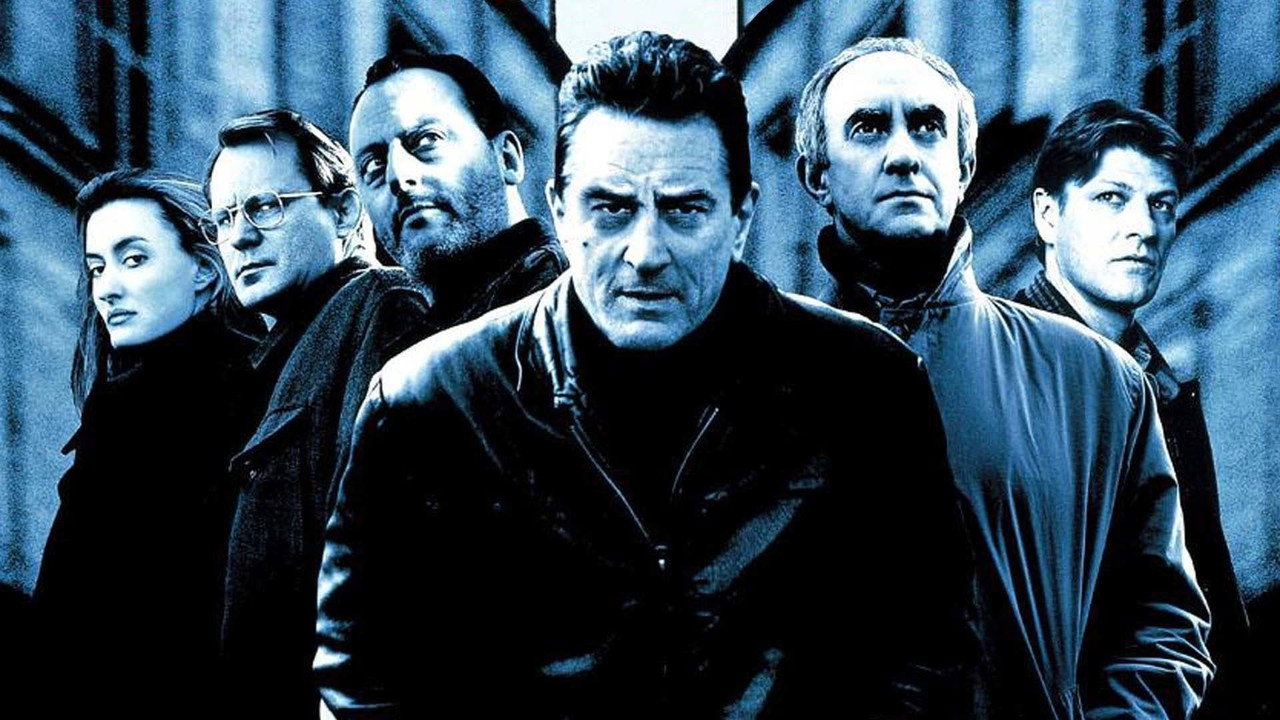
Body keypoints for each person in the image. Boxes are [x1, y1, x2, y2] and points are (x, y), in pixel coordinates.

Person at [316, 31, 975, 718]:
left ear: (741, 217)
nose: (645, 252)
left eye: (684, 208)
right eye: (612, 208)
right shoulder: (428, 402)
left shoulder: (868, 386)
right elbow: (365, 677)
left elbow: (926, 664)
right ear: (560, 210)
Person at [794, 37, 1213, 719]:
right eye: (868, 127)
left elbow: (1161, 623)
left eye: (927, 126)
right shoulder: (754, 380)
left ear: (964, 165)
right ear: (817, 174)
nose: (903, 153)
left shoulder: (1099, 381)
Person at [1012, 99, 1251, 720]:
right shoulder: (1001, 370)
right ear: (1048, 215)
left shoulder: (1162, 389)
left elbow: (1210, 613)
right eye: (1112, 199)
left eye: (1161, 205)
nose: (1143, 227)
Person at [204, 109, 431, 719]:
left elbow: (385, 541)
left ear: (345, 210)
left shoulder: (379, 306)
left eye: (266, 207)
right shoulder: (277, 356)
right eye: (224, 218)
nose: (239, 237)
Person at [33, 169, 260, 719]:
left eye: (133, 259)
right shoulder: (134, 403)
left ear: (205, 270)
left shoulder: (161, 409)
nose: (106, 288)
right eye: (97, 267)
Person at [349, 50, 567, 326]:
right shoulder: (402, 335)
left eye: (428, 140)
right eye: (373, 165)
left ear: (507, 158)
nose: (399, 177)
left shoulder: (566, 307)